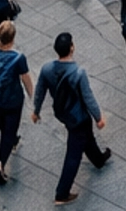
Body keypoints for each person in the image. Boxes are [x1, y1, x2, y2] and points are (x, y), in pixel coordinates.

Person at [33, 30, 110, 202]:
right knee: (73, 154)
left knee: (86, 138)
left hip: (64, 114)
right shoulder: (78, 72)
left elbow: (39, 92)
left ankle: (98, 159)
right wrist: (99, 117)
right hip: (79, 117)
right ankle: (62, 193)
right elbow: (88, 97)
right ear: (72, 48)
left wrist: (36, 111)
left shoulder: (47, 70)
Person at [0, 20, 30, 184]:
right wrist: (34, 98)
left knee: (2, 123)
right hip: (13, 98)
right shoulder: (18, 58)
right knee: (9, 129)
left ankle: (12, 139)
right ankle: (1, 163)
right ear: (12, 39)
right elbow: (25, 79)